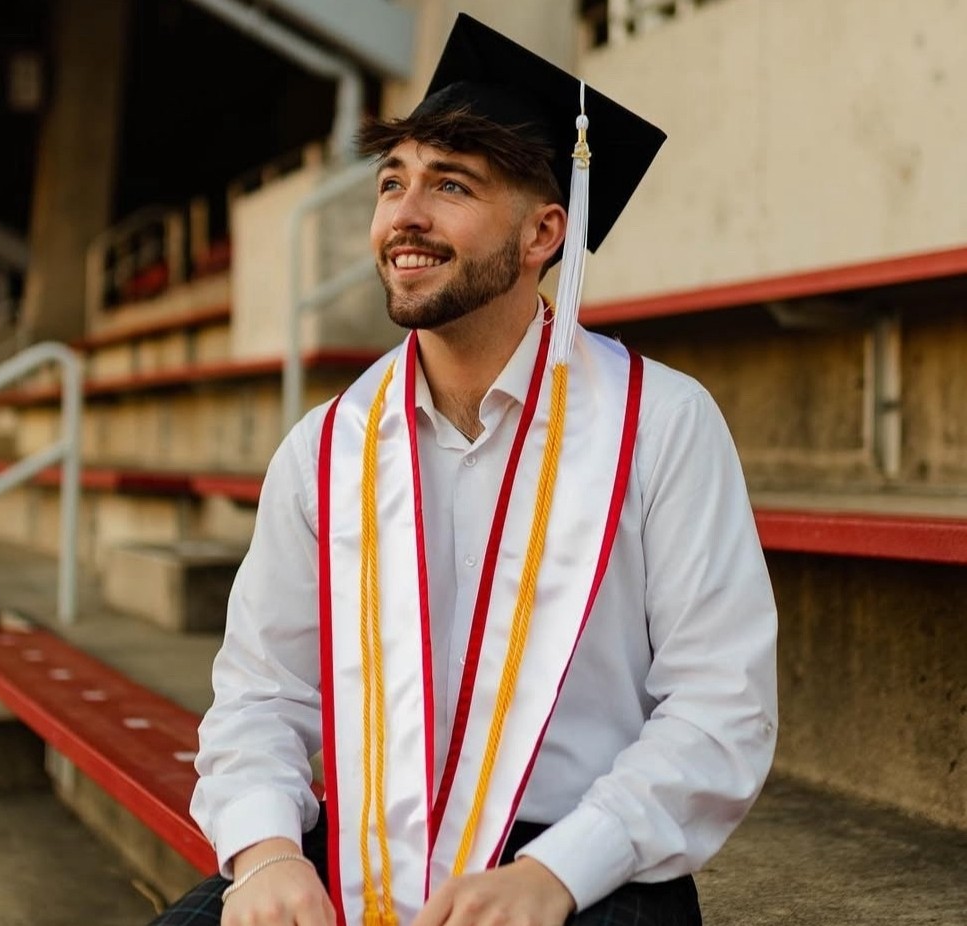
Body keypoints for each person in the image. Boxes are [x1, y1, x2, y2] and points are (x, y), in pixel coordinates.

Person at [150, 13, 777, 926]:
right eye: (392, 182)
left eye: (450, 186)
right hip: (366, 845)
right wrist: (266, 851)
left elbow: (721, 708)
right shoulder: (327, 448)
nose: (403, 214)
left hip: (579, 864)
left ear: (542, 234)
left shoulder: (660, 425)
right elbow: (261, 695)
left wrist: (559, 869)